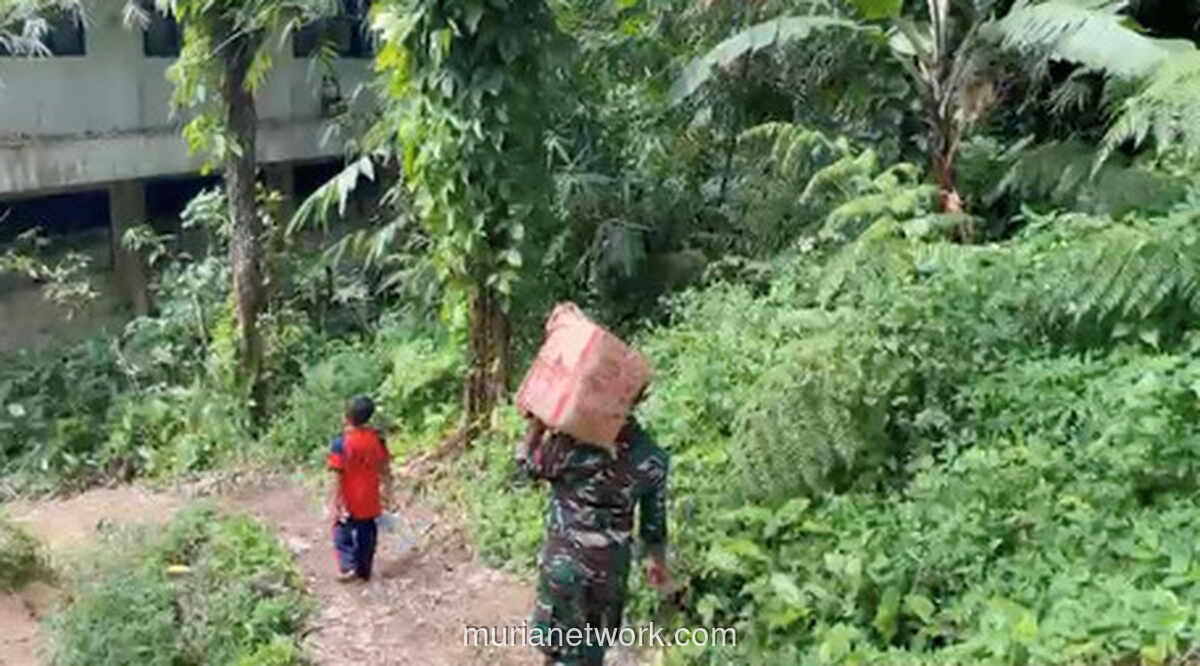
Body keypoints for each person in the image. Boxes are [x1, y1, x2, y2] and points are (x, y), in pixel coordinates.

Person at [517, 389, 671, 666]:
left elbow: (526, 467)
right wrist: (656, 564)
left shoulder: (568, 444)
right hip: (608, 574)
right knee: (590, 651)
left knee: (557, 649)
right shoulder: (651, 456)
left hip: (562, 568)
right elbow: (653, 528)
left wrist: (537, 425)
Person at [326, 395, 393, 583]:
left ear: (346, 417)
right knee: (367, 533)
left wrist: (334, 503)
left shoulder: (340, 443)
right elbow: (385, 468)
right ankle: (364, 570)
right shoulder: (378, 440)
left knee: (341, 532)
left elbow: (337, 475)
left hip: (349, 500)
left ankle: (347, 566)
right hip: (370, 498)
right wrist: (388, 491)